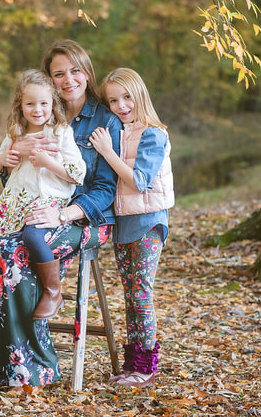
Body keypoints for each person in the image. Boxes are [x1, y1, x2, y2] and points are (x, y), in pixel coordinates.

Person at [0, 39, 121, 388]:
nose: (68, 79)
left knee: (11, 256)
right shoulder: (38, 110)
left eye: (75, 70)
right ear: (48, 80)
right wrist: (12, 154)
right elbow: (13, 176)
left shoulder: (104, 119)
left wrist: (63, 215)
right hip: (29, 211)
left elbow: (105, 189)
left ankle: (31, 367)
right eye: (58, 73)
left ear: (87, 73)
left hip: (83, 217)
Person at [0, 69, 86, 330]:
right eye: (30, 103)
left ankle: (52, 292)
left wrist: (49, 162)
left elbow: (78, 173)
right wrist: (6, 157)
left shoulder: (60, 133)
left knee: (33, 237)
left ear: (53, 105)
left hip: (46, 201)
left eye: (44, 103)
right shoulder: (16, 133)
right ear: (20, 106)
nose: (37, 109)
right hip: (12, 202)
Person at [89, 67, 174, 388]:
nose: (121, 105)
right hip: (125, 223)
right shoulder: (121, 130)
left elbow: (140, 181)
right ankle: (132, 364)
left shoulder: (152, 133)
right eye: (113, 100)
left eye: (127, 97)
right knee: (131, 296)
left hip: (147, 223)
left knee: (140, 295)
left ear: (140, 96)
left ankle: (146, 366)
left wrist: (107, 151)